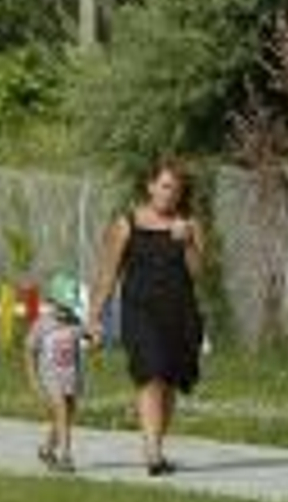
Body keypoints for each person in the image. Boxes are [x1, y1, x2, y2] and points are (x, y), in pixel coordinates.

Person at [87, 158, 205, 476]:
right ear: (151, 186)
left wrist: (188, 243)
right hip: (140, 312)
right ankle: (152, 453)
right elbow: (108, 273)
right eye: (165, 187)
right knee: (150, 374)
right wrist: (94, 317)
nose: (170, 195)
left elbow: (197, 274)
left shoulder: (189, 224)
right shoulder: (127, 223)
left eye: (176, 190)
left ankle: (157, 447)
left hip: (180, 313)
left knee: (168, 382)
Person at [24, 272, 88, 473]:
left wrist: (96, 338)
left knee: (66, 416)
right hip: (51, 378)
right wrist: (33, 379)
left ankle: (46, 449)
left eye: (68, 307)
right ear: (51, 302)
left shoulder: (74, 323)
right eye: (61, 306)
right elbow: (29, 350)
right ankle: (66, 456)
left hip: (71, 377)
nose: (64, 311)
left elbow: (88, 338)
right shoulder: (42, 324)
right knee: (60, 412)